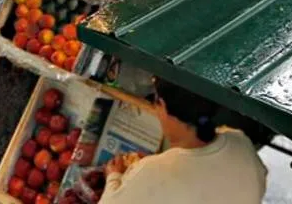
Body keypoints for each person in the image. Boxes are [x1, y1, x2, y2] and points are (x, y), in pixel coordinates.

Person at [100, 78, 268, 204]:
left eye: (155, 102)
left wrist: (114, 176)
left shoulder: (151, 170)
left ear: (163, 106)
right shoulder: (240, 141)